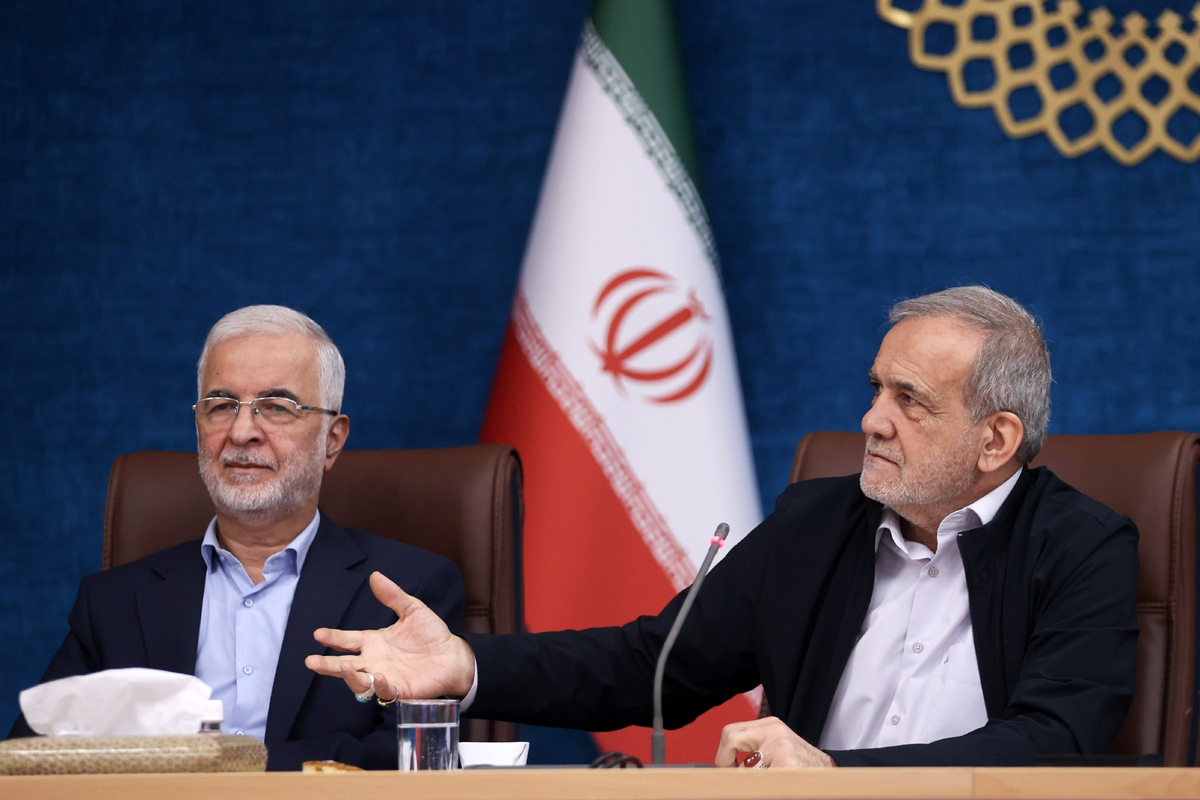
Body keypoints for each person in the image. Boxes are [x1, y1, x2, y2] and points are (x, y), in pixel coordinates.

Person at [306, 287, 1139, 767]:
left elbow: (1055, 741)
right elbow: (649, 667)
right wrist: (465, 663)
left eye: (909, 401)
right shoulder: (818, 524)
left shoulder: (1081, 547)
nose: (871, 420)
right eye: (877, 389)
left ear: (996, 440)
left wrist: (831, 773)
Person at [9, 305, 465, 771]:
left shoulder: (407, 592)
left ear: (332, 439)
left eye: (278, 407)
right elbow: (33, 763)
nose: (242, 432)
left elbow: (416, 758)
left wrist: (222, 770)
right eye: (222, 405)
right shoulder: (114, 603)